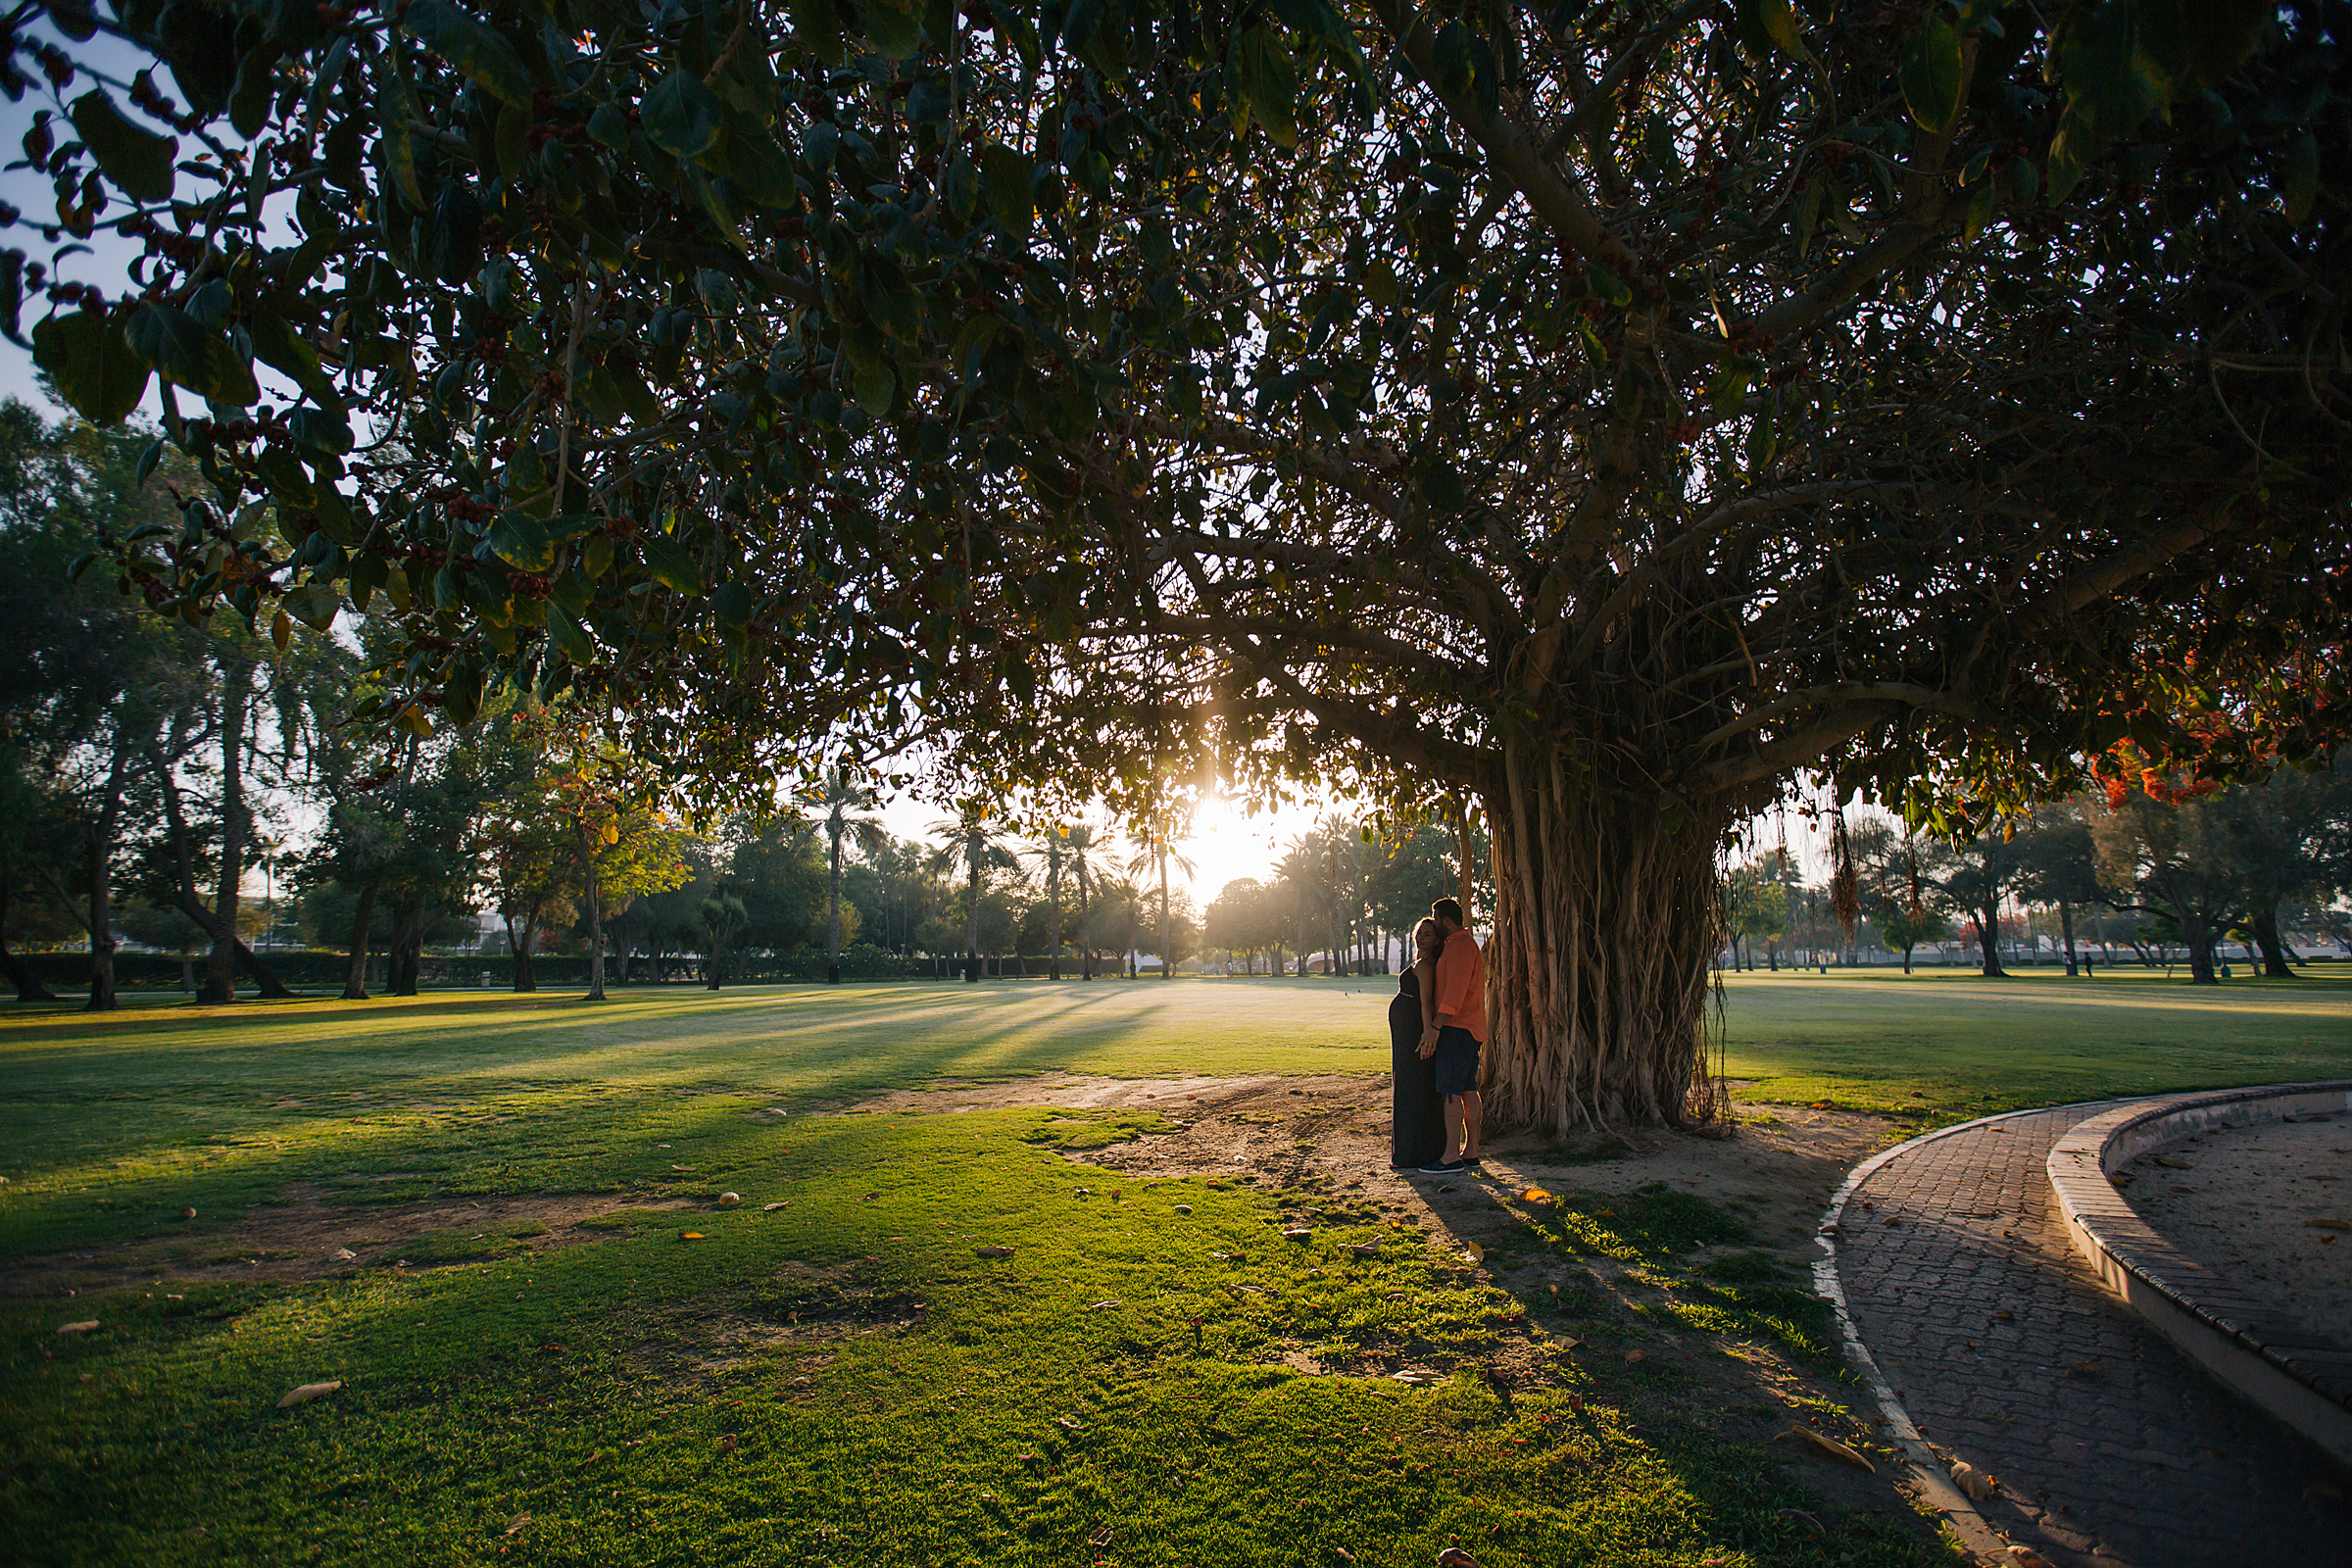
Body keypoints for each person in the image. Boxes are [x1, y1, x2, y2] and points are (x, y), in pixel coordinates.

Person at [1416, 898, 1487, 1175]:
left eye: (1435, 921)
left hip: (1457, 1030)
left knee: (1451, 1092)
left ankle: (1450, 1157)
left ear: (1445, 920)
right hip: (1468, 1029)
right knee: (1469, 1090)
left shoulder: (1459, 948)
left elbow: (1453, 997)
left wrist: (1434, 1028)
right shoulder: (1463, 945)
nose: (1432, 925)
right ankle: (1470, 1152)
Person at [1389, 918, 1446, 1169]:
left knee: (1412, 1086)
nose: (1421, 938)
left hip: (1413, 1031)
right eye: (1419, 933)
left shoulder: (1425, 966)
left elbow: (1425, 1003)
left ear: (1436, 940)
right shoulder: (1419, 962)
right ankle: (1407, 1149)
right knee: (1405, 1083)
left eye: (1427, 934)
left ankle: (1413, 1152)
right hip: (1404, 1031)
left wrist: (1427, 1034)